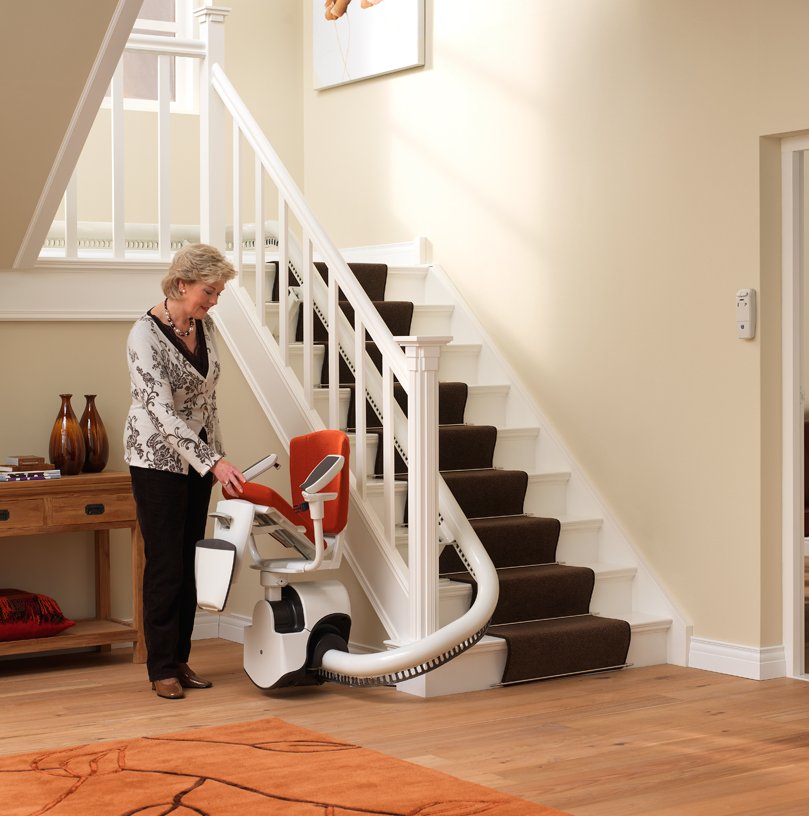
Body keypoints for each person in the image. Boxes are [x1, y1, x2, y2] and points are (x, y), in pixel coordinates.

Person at [124, 243, 246, 700]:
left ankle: (180, 658)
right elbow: (159, 411)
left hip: (199, 462)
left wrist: (217, 458)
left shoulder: (204, 326)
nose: (213, 302)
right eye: (208, 292)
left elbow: (206, 399)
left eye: (217, 294)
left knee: (193, 560)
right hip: (155, 459)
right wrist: (212, 460)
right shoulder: (144, 336)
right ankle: (160, 667)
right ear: (181, 284)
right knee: (166, 564)